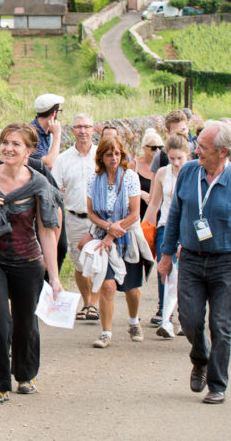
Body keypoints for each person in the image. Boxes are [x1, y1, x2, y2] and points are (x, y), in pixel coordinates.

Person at [158, 121, 231, 405]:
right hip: (190, 258)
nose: (196, 150)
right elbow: (176, 214)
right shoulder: (190, 172)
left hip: (226, 262)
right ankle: (200, 358)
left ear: (223, 152)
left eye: (202, 147)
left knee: (220, 325)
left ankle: (217, 385)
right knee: (189, 321)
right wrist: (166, 256)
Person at [0, 123, 63, 403]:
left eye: (16, 144)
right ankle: (0, 383)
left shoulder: (39, 184)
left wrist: (53, 277)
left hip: (28, 262)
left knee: (25, 323)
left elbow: (47, 231)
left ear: (29, 151)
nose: (9, 148)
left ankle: (26, 375)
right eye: (5, 142)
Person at [84, 135, 148, 349]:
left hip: (127, 237)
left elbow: (135, 213)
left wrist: (113, 233)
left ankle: (133, 321)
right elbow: (91, 212)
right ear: (101, 156)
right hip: (103, 237)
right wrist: (106, 228)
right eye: (109, 154)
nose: (113, 158)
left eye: (117, 154)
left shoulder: (130, 177)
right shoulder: (94, 179)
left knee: (131, 289)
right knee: (108, 286)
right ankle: (105, 332)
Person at [142, 134, 191, 338]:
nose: (176, 163)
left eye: (180, 158)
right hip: (166, 226)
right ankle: (166, 319)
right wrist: (143, 227)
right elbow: (155, 203)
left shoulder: (194, 172)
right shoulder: (162, 173)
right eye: (172, 159)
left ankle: (185, 316)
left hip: (188, 229)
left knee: (186, 275)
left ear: (188, 156)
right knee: (165, 269)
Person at [52, 113, 100, 322]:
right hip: (74, 217)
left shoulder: (101, 156)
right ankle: (86, 300)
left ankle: (94, 305)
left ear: (93, 129)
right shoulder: (63, 159)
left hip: (98, 220)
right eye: (78, 127)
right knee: (79, 262)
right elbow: (54, 190)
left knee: (99, 261)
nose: (82, 131)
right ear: (72, 130)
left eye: (86, 127)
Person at [30, 93, 64, 169]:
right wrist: (57, 135)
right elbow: (50, 164)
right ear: (54, 113)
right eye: (60, 111)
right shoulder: (31, 134)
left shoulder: (48, 131)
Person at [136, 130, 163, 205]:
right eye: (153, 148)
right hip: (140, 209)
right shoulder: (135, 164)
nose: (158, 151)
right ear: (144, 148)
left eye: (160, 147)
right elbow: (125, 187)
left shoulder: (164, 164)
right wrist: (141, 193)